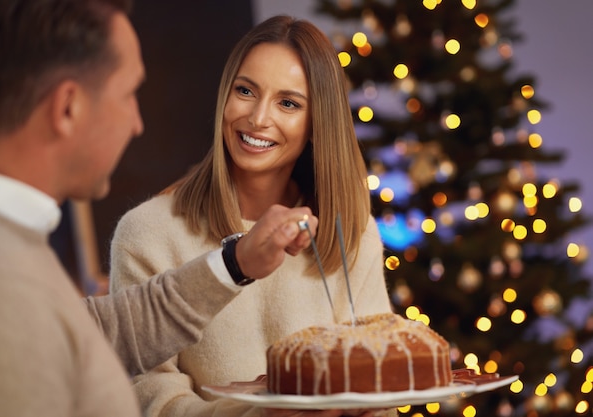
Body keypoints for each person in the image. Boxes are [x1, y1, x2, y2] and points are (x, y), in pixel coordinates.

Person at [0, 2, 321, 417]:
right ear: (68, 107)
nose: (136, 122)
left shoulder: (4, 240)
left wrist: (235, 263)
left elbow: (105, 329)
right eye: (128, 94)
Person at [109, 15, 395, 417]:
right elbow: (149, 399)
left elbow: (380, 384)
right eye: (246, 91)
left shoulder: (350, 229)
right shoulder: (147, 233)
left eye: (288, 103)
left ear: (316, 124)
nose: (259, 118)